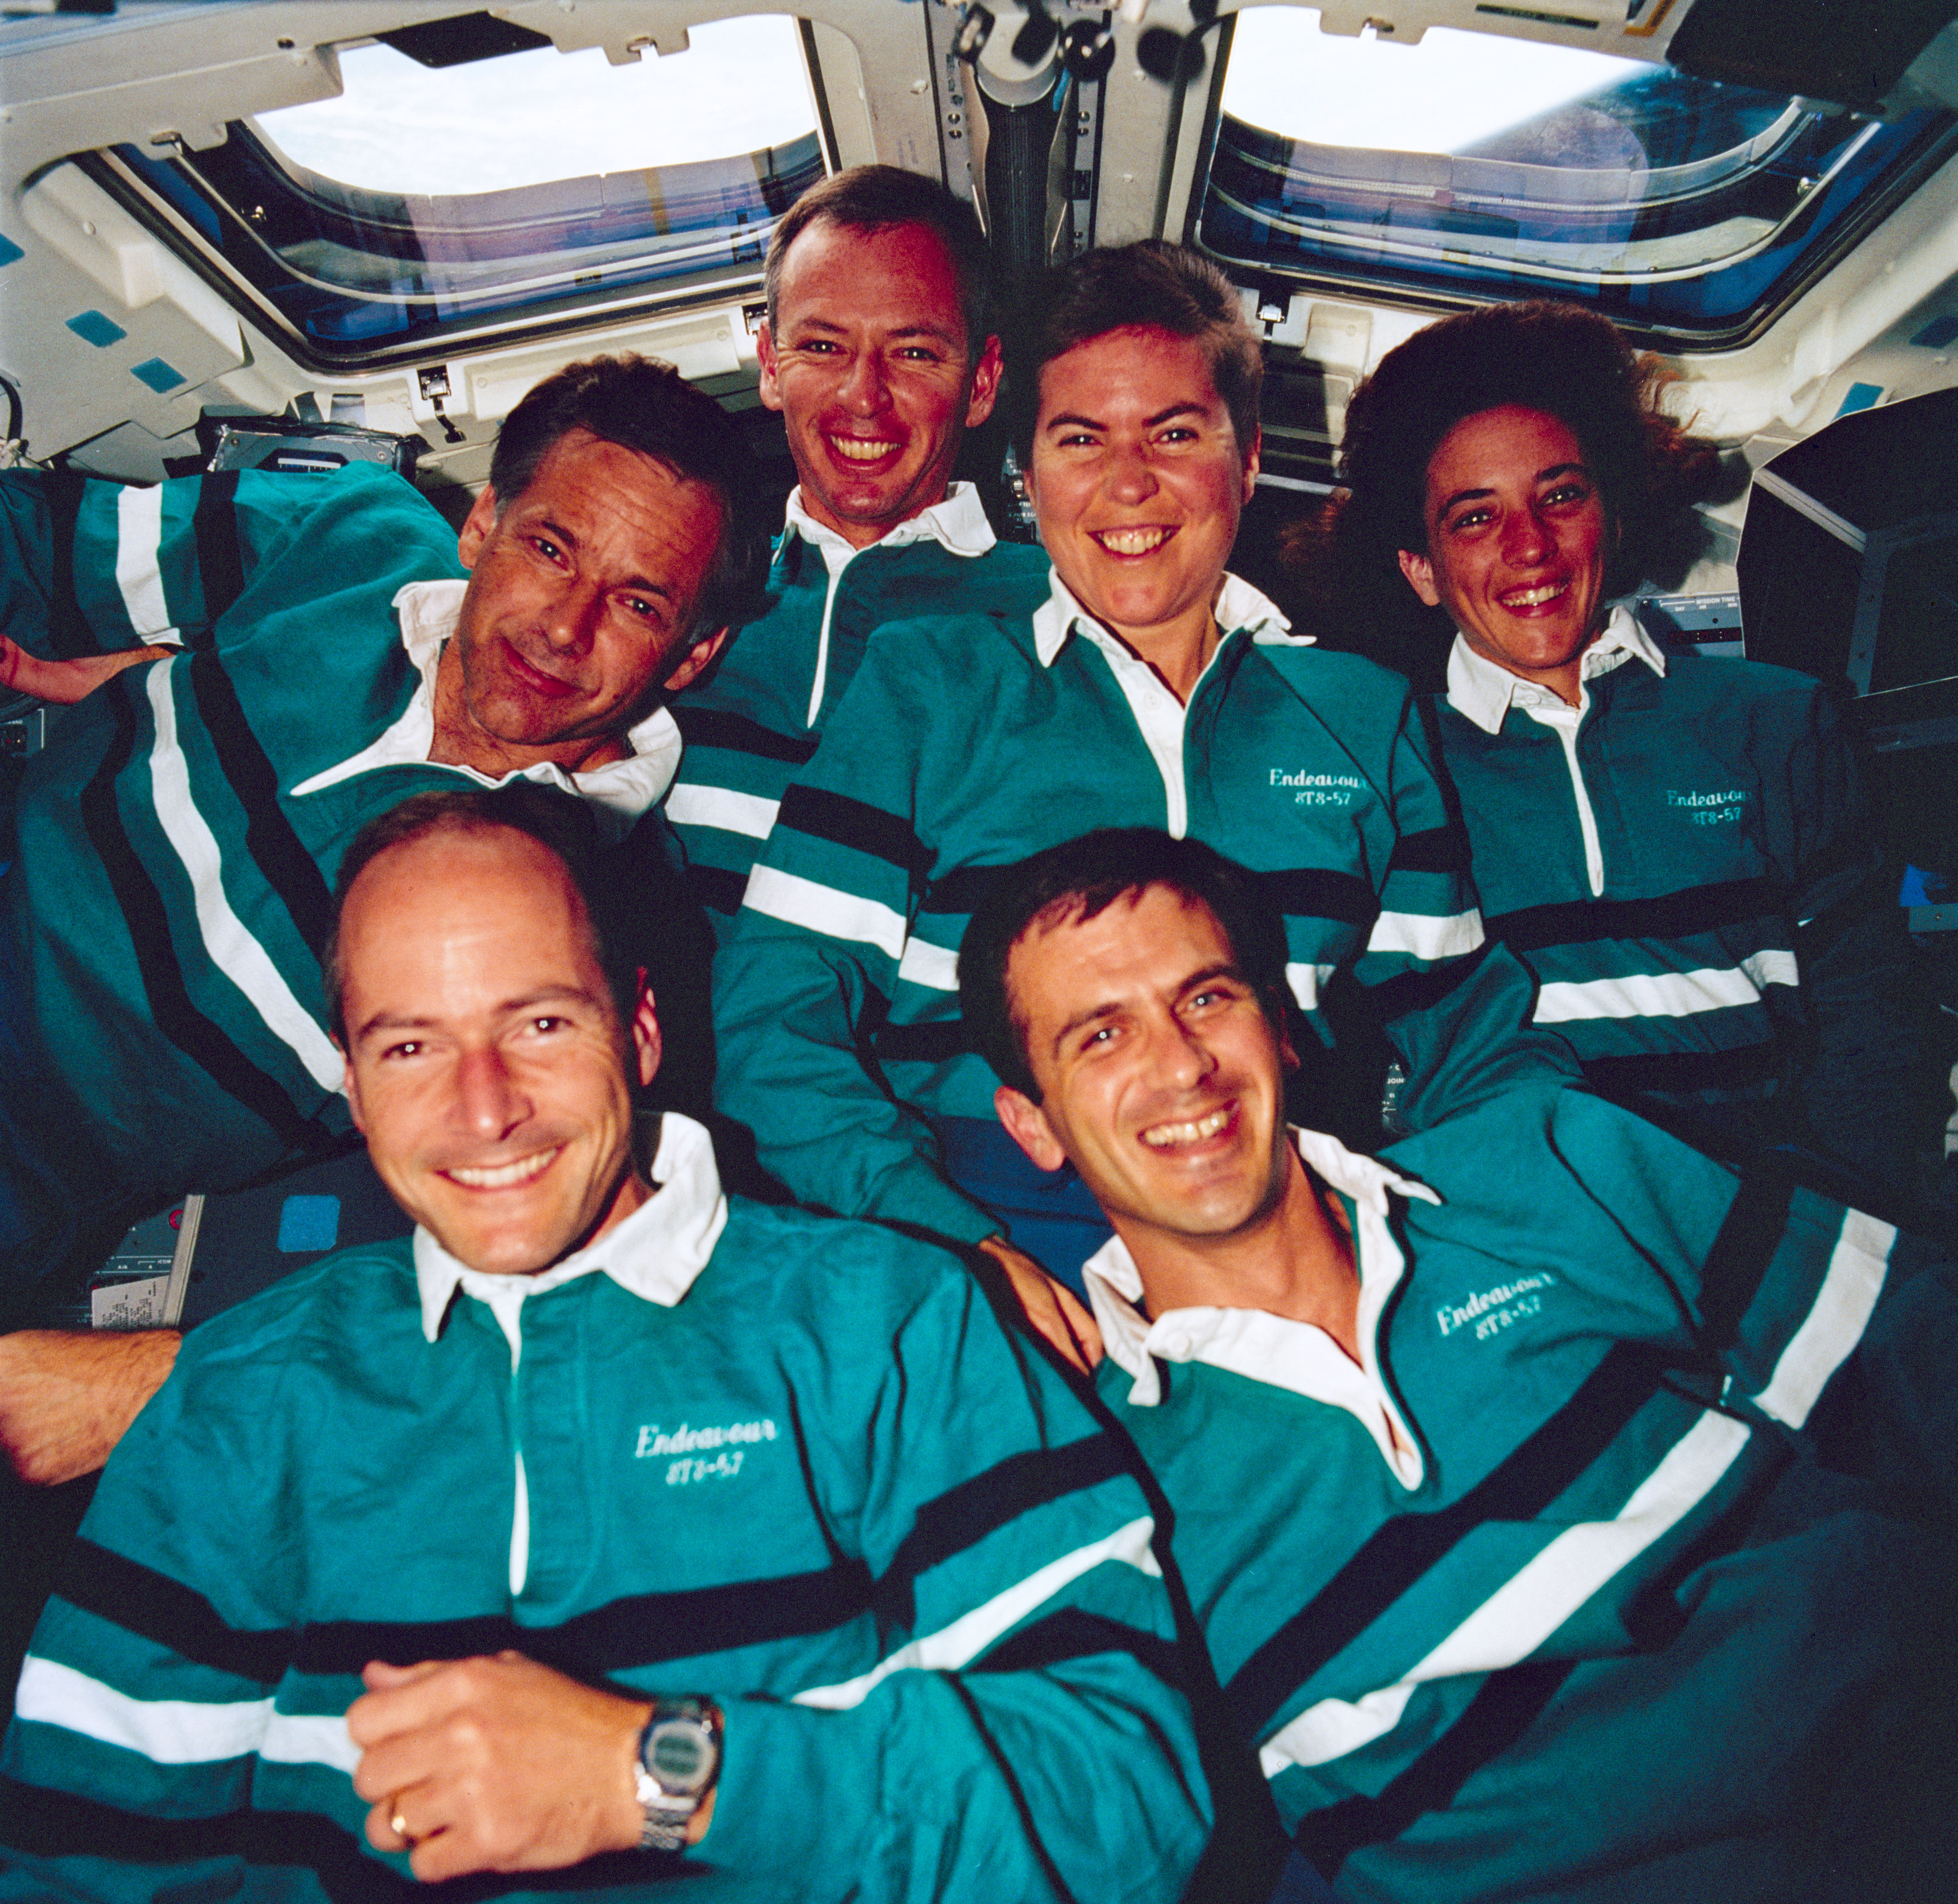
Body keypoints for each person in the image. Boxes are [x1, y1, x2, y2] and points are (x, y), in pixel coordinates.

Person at [0, 788, 1216, 1903]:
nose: (486, 1109)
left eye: (538, 1023)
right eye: (410, 1046)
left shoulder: (889, 1321)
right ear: (354, 1087)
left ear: (638, 1031)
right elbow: (78, 1866)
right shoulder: (241, 1398)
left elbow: (1128, 1797)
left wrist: (657, 1771)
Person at [960, 825, 1958, 1902]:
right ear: (1032, 1126)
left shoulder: (1550, 1161)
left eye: (1206, 998)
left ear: (1282, 1029)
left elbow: (1918, 1356)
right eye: (1101, 1036)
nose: (1180, 1064)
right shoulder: (1101, 1501)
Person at [712, 240, 1569, 1339]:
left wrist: (1447, 1232)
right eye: (1081, 439)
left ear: (1246, 461)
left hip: (1291, 1229)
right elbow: (772, 1023)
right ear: (1027, 480)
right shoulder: (930, 690)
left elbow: (1471, 1043)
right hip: (991, 1230)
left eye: (1174, 434)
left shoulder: (1362, 714)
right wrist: (951, 1243)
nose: (1129, 484)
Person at [0, 353, 767, 1485]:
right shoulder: (347, 536)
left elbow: (568, 1286)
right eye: (551, 549)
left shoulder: (609, 918)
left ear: (692, 653)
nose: (564, 629)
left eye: (638, 602)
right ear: (483, 523)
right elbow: (34, 542)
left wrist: (156, 1383)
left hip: (37, 1147)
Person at [1297, 299, 1944, 1219]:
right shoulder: (1385, 771)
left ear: (1616, 512)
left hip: (1785, 1215)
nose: (1530, 546)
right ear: (1422, 569)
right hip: (1529, 1236)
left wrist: (1838, 1228)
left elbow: (1870, 1016)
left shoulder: (1776, 720)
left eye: (1560, 496)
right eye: (1475, 518)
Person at [662, 165, 1050, 929]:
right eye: (822, 346)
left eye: (913, 353)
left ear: (981, 383)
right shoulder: (673, 596)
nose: (863, 396)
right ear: (771, 366)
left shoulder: (1064, 614)